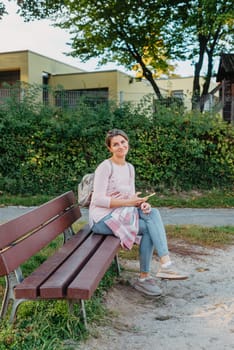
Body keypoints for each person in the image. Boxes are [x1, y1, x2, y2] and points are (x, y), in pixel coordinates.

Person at [89, 129, 188, 296]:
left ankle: (152, 272)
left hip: (121, 213)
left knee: (152, 213)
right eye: (115, 144)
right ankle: (159, 267)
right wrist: (129, 202)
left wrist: (141, 204)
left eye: (123, 142)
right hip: (101, 219)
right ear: (110, 149)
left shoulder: (129, 168)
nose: (120, 146)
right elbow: (98, 199)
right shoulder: (105, 167)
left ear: (128, 143)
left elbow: (131, 197)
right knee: (150, 224)